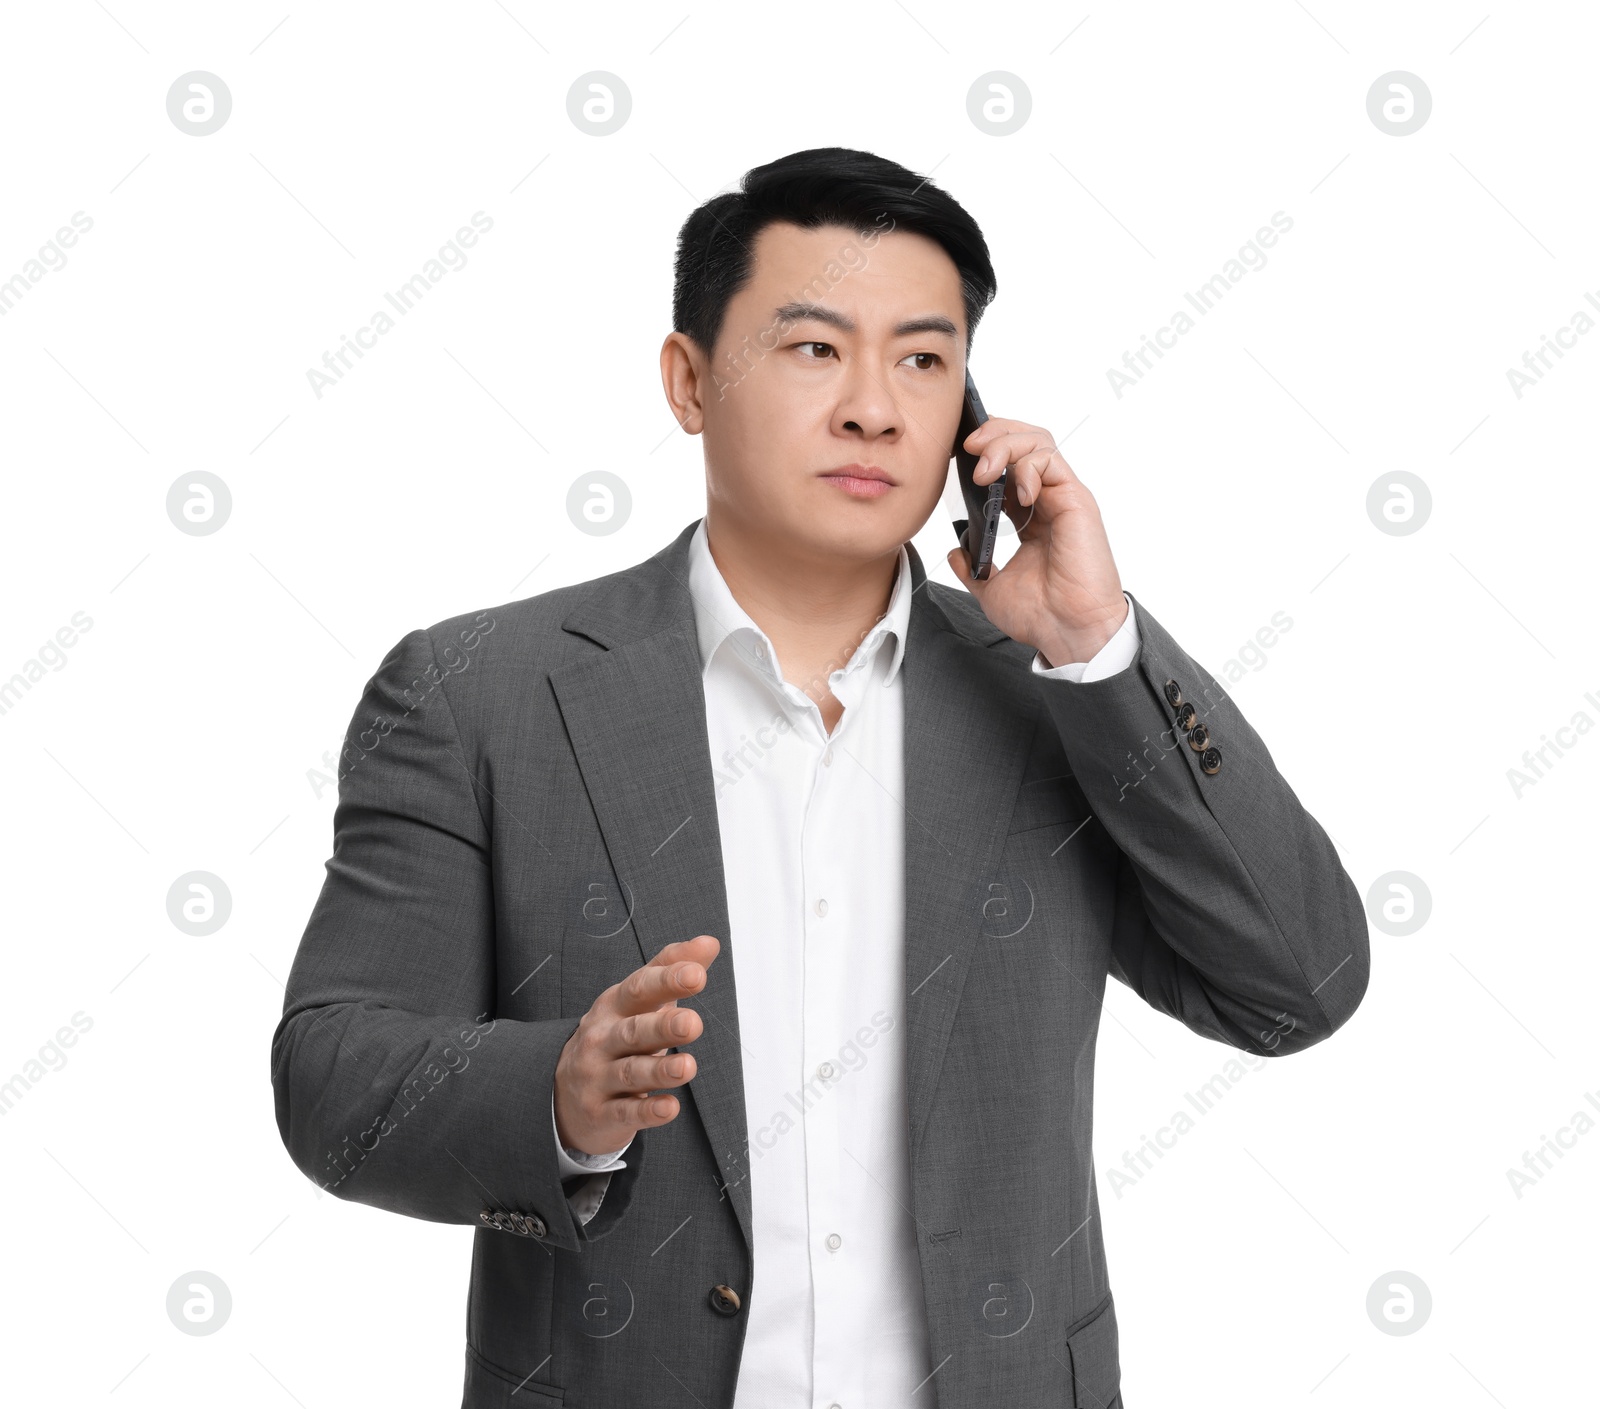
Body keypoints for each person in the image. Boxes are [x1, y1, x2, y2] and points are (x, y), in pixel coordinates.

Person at [272, 146, 1369, 1409]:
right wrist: (559, 1095)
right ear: (688, 381)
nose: (874, 408)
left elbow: (1301, 983)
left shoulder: (1052, 697)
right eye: (812, 349)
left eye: (922, 358)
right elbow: (333, 1075)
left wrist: (1093, 644)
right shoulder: (477, 691)